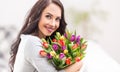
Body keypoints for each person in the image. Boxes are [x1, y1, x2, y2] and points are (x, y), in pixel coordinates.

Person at [9, 0, 83, 72]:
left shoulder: (45, 44)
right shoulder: (31, 42)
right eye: (48, 16)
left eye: (57, 19)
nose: (53, 24)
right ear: (37, 16)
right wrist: (77, 65)